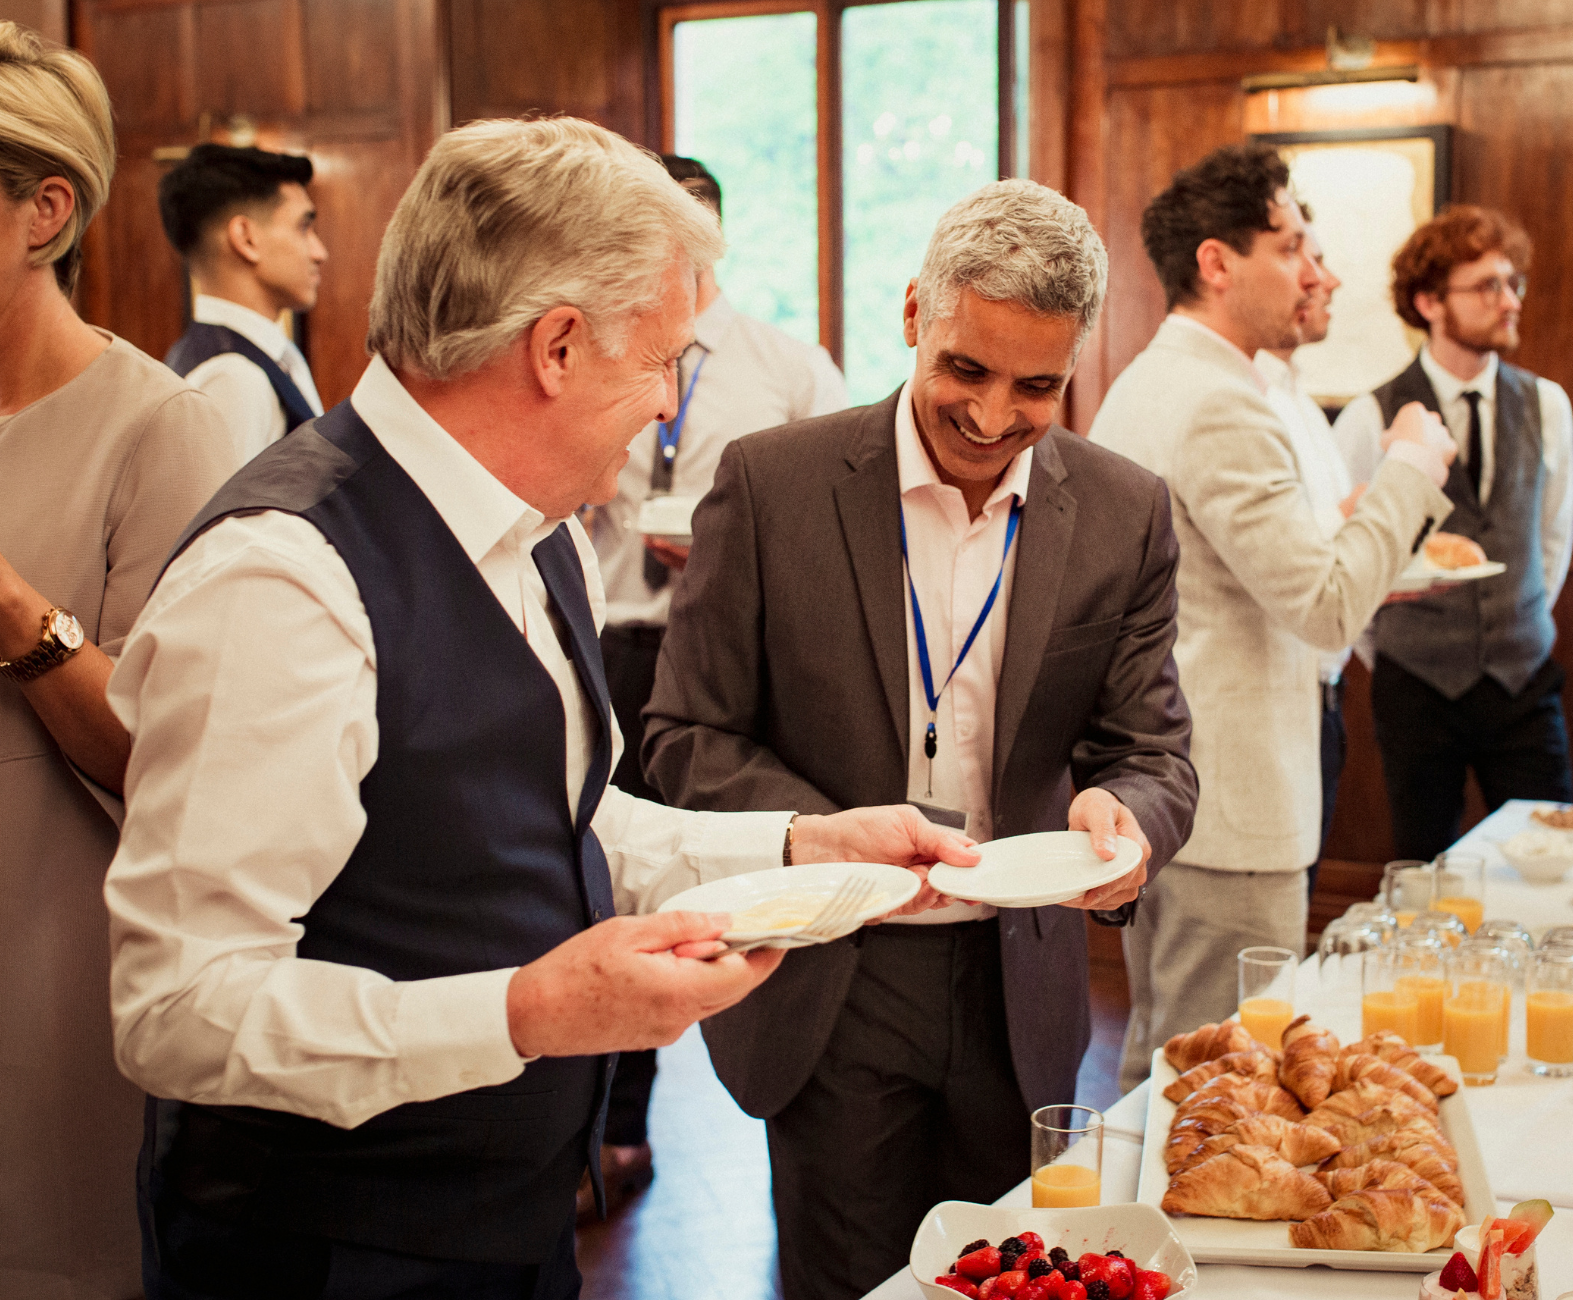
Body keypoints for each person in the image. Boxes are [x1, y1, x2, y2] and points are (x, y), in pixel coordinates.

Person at [105, 116, 977, 1300]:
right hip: (323, 1252)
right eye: (662, 358)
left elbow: (560, 815)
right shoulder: (285, 579)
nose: (669, 404)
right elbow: (179, 1008)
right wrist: (525, 1011)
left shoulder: (539, 528)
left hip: (513, 1219)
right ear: (558, 346)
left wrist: (798, 843)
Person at [642, 178, 1198, 1300]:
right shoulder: (769, 484)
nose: (994, 418)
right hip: (830, 974)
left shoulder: (1128, 511)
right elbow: (679, 737)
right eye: (966, 370)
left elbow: (1156, 754)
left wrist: (1125, 820)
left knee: (1011, 1282)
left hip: (1019, 988)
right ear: (913, 315)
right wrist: (818, 834)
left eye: (1036, 386)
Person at [1090, 144, 1453, 1091]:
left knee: (1162, 1060)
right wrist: (1411, 466)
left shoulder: (1153, 380)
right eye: (1290, 245)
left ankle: (1122, 1238)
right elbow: (1328, 606)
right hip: (1230, 795)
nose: (1312, 270)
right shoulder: (1216, 402)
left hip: (1171, 785)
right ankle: (1164, 1244)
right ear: (1217, 262)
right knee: (1224, 1081)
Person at [0, 23, 238, 1300]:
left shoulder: (161, 429)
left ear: (44, 210)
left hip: (52, 982)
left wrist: (14, 612)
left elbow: (175, 763)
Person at [585, 153, 850, 1214]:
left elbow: (838, 517)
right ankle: (610, 1121)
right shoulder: (603, 351)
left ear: (715, 239)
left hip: (722, 651)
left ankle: (738, 1055)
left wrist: (729, 550)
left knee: (684, 867)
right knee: (597, 861)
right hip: (607, 627)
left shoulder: (786, 363)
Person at [1334, 204, 1573, 860]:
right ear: (1429, 301)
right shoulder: (1368, 415)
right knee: (1423, 868)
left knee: (1548, 858)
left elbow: (1551, 541)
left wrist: (1517, 622)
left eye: (1513, 284)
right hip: (1415, 684)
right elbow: (1343, 548)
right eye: (1487, 286)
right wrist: (1391, 651)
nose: (1509, 301)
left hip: (1524, 679)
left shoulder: (1547, 405)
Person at [1252, 223, 1356, 901]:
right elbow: (1296, 566)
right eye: (1299, 255)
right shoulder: (1245, 400)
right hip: (1270, 703)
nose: (1325, 278)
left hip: (1323, 694)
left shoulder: (1302, 403)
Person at [158, 142, 328, 459]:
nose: (320, 252)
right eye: (303, 227)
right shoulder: (234, 379)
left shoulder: (261, 357)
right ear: (246, 238)